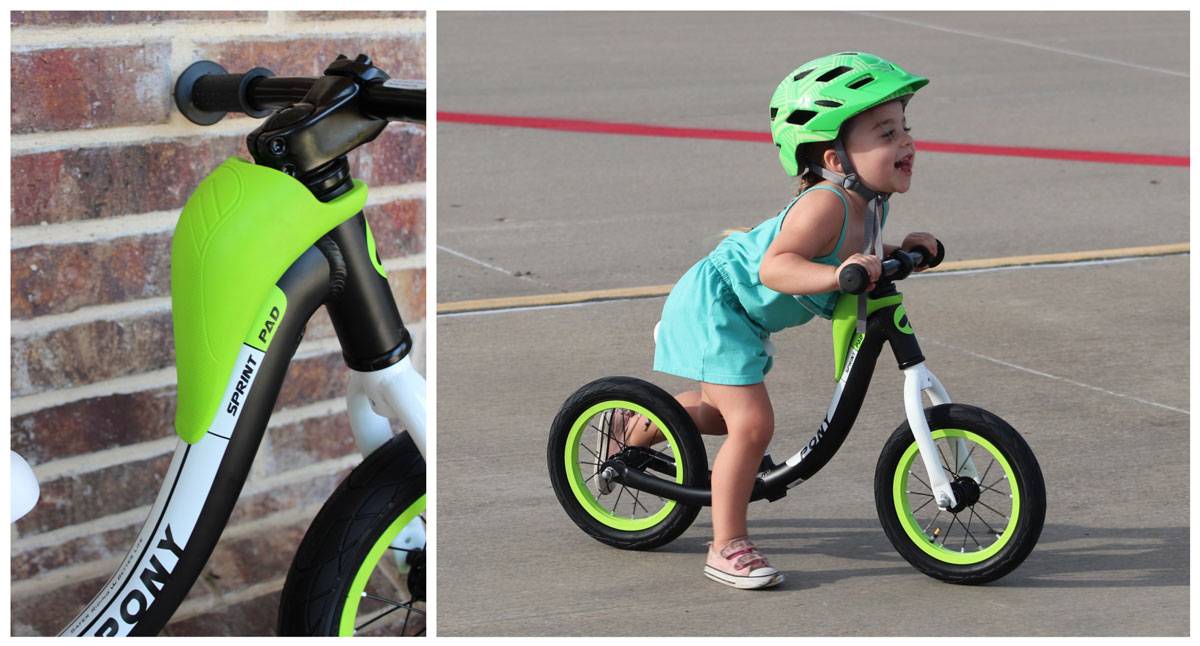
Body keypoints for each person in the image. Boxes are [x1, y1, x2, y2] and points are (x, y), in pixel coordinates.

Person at [621, 52, 938, 589]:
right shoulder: (825, 204)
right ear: (836, 161)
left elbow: (854, 253)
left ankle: (632, 429)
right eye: (885, 133)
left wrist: (901, 250)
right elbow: (776, 267)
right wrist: (841, 275)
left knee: (725, 418)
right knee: (751, 425)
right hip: (715, 305)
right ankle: (725, 545)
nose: (904, 142)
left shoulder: (870, 202)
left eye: (904, 127)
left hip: (740, 317)